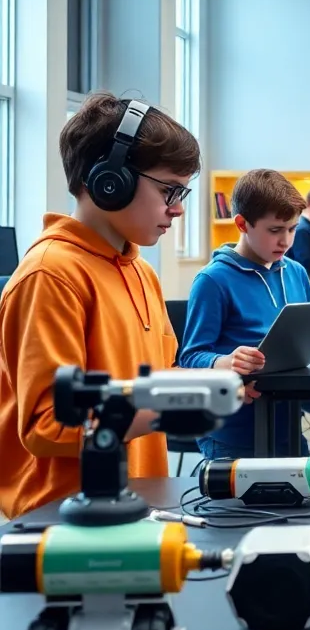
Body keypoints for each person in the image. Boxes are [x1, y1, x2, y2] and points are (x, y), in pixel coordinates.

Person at [0, 93, 223, 518]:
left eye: (183, 193)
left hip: (138, 504)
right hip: (63, 518)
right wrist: (167, 409)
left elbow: (157, 376)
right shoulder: (51, 275)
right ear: (108, 179)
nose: (176, 209)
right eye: (168, 190)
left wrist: (211, 384)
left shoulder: (141, 272)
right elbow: (46, 424)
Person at [179, 169, 310, 459]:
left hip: (287, 425)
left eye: (292, 229)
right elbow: (191, 357)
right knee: (237, 505)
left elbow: (299, 346)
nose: (286, 241)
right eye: (275, 230)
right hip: (233, 432)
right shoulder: (213, 280)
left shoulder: (296, 272)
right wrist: (227, 361)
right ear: (242, 224)